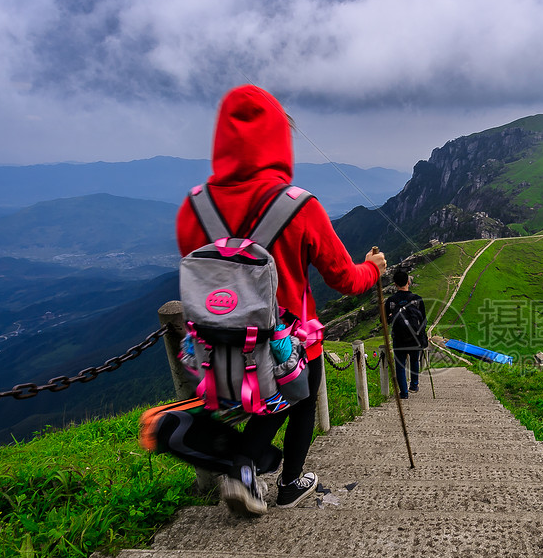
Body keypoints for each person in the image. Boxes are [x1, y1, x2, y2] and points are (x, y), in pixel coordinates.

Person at [176, 85, 386, 516]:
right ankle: (286, 482)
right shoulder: (298, 207)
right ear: (277, 139)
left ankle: (244, 470)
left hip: (216, 340)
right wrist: (375, 270)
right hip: (287, 340)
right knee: (300, 399)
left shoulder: (193, 207)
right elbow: (344, 279)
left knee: (265, 398)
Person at [384, 269, 428, 399]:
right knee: (415, 360)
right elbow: (424, 319)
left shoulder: (391, 301)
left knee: (400, 365)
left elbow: (384, 320)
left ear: (395, 284)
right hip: (415, 337)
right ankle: (414, 385)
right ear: (408, 282)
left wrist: (391, 316)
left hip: (399, 338)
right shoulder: (417, 300)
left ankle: (404, 393)